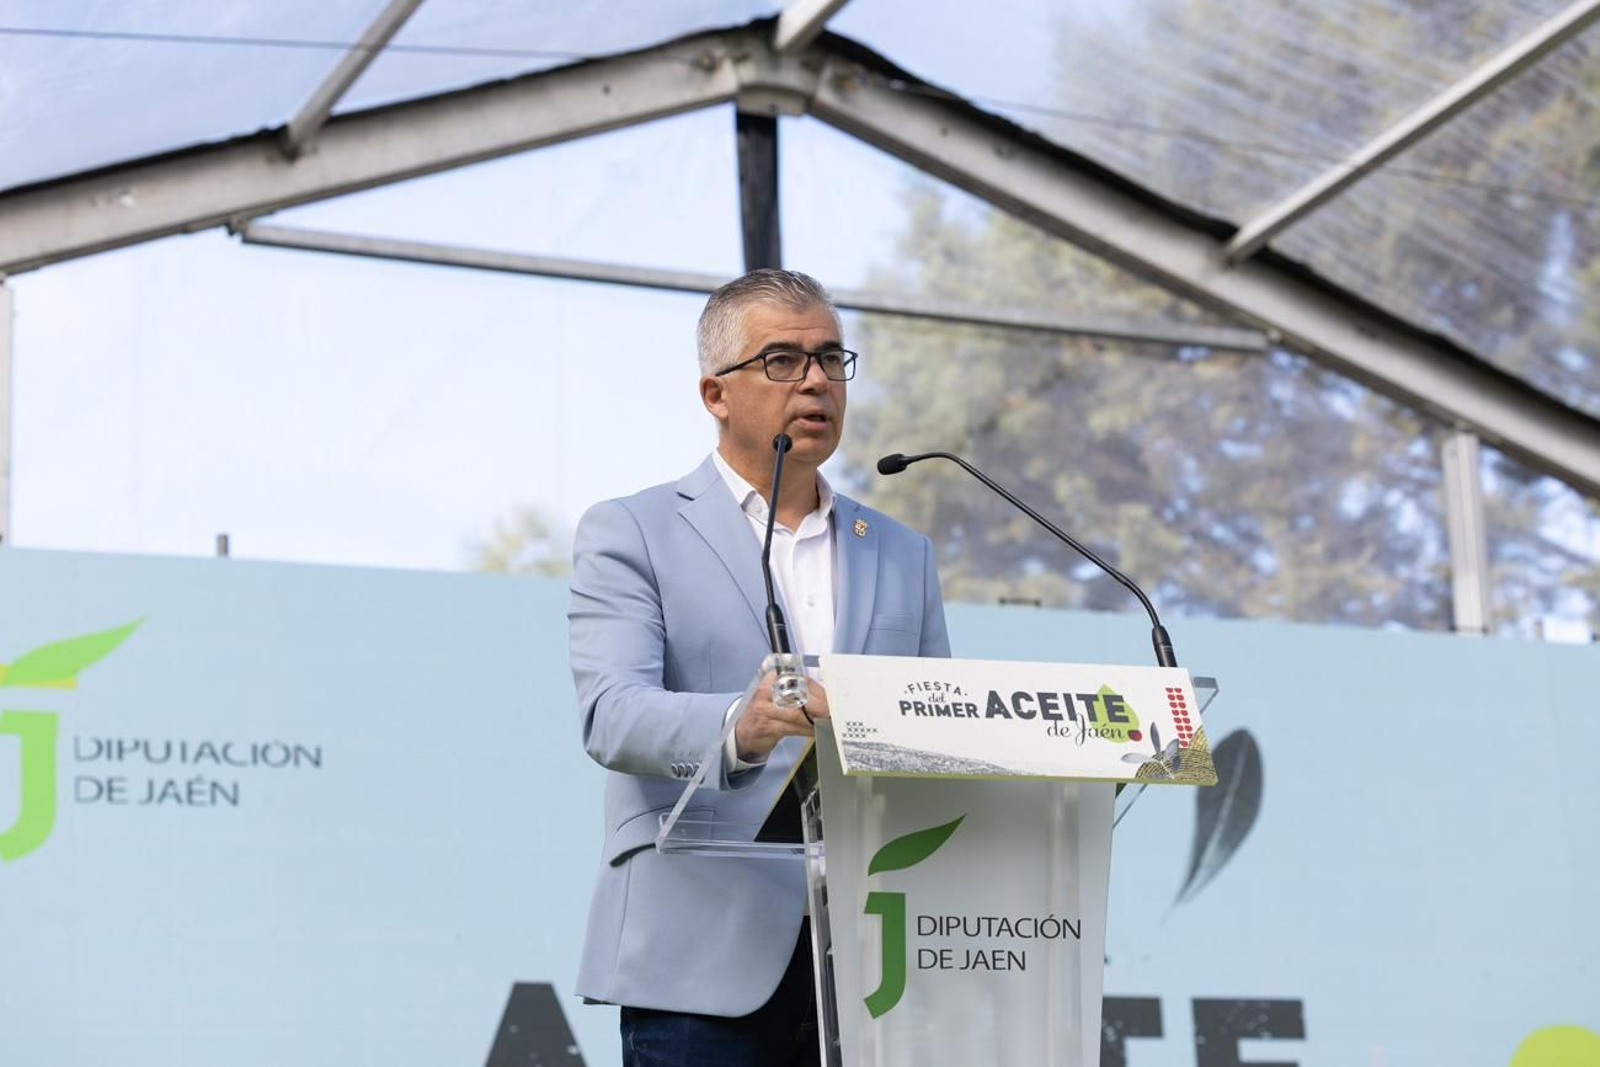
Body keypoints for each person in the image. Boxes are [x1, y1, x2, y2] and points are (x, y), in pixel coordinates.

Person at [568, 269, 950, 1066]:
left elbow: (930, 723)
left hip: (869, 956)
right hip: (701, 960)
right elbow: (612, 712)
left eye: (830, 358)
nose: (814, 379)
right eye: (782, 359)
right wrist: (736, 727)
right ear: (715, 393)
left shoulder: (904, 553)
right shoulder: (632, 530)